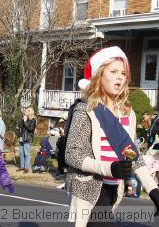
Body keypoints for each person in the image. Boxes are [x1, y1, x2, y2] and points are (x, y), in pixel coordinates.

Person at [65, 46, 159, 227]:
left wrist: (153, 190)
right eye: (113, 71)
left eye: (123, 73)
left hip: (115, 188)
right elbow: (72, 154)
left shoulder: (127, 114)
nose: (119, 77)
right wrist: (109, 168)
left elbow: (132, 155)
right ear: (99, 75)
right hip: (89, 187)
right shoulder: (86, 110)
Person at [17, 106, 36, 173]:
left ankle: (26, 168)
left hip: (28, 139)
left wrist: (25, 122)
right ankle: (22, 167)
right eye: (25, 111)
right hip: (21, 138)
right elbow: (19, 126)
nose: (25, 112)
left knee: (26, 153)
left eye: (27, 111)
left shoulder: (33, 120)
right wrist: (22, 120)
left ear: (30, 112)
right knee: (21, 153)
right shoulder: (24, 119)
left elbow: (31, 129)